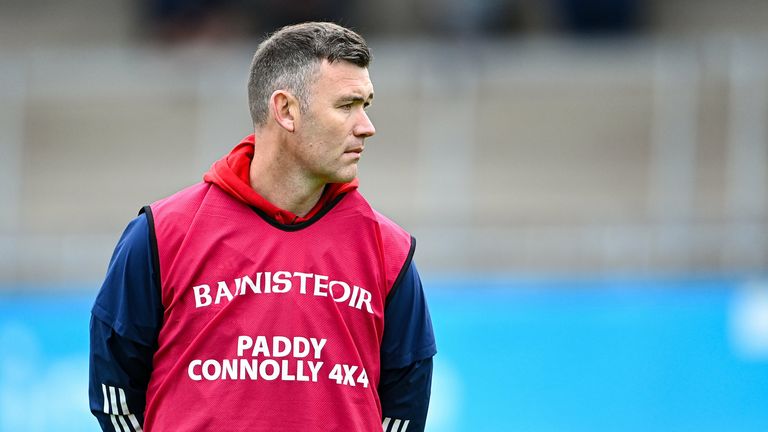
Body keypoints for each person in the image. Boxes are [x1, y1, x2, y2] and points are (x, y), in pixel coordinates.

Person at [88, 22, 436, 432]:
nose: (366, 126)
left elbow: (405, 403)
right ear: (285, 110)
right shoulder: (163, 234)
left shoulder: (388, 251)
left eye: (366, 105)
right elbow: (115, 391)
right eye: (347, 106)